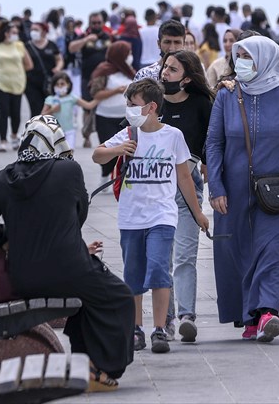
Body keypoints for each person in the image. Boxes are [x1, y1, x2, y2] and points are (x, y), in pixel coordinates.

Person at [0, 115, 135, 391]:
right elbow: (78, 216)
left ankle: (86, 361)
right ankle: (104, 367)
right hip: (70, 270)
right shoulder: (69, 171)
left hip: (23, 278)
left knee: (90, 298)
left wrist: (8, 237)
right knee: (120, 297)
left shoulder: (5, 177)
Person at [93, 80, 208, 354]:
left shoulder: (173, 136)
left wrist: (198, 213)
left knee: (158, 269)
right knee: (133, 274)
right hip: (131, 217)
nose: (129, 109)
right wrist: (117, 150)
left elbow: (184, 177)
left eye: (133, 104)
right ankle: (136, 329)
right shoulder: (128, 134)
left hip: (162, 215)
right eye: (128, 104)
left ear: (152, 106)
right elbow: (97, 155)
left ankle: (159, 328)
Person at [206, 36, 279, 342]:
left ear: (265, 59)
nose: (241, 63)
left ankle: (267, 311)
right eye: (238, 56)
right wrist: (216, 187)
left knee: (275, 250)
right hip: (233, 190)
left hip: (277, 188)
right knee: (238, 251)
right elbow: (214, 142)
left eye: (247, 56)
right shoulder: (227, 95)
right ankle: (249, 316)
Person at [158, 51, 215, 342]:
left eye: (172, 69)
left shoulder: (201, 104)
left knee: (184, 256)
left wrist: (206, 162)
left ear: (187, 78)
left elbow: (212, 138)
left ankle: (186, 316)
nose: (165, 73)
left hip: (188, 186)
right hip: (155, 189)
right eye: (165, 67)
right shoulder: (152, 103)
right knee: (162, 259)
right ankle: (165, 319)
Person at [0, 21, 33, 152]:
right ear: (6, 33)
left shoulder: (20, 46)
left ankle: (14, 135)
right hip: (0, 82)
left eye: (17, 33)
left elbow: (29, 65)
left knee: (16, 112)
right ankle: (3, 141)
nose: (16, 35)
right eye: (13, 33)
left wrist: (17, 71)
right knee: (4, 112)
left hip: (17, 82)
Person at [89, 41, 135, 179]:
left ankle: (118, 179)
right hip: (105, 117)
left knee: (125, 151)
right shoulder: (104, 70)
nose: (130, 56)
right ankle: (105, 176)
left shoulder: (129, 71)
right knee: (109, 150)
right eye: (128, 53)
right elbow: (95, 93)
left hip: (126, 118)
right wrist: (116, 91)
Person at [42, 71, 97, 149]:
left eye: (62, 84)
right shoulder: (50, 99)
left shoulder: (72, 98)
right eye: (57, 84)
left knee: (69, 151)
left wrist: (100, 98)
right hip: (55, 131)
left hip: (69, 131)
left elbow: (88, 105)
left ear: (68, 84)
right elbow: (42, 115)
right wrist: (52, 110)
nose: (60, 86)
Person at [24, 22, 63, 117]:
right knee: (36, 109)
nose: (33, 32)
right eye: (32, 29)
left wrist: (58, 68)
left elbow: (59, 59)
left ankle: (48, 126)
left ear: (44, 32)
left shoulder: (51, 45)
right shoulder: (26, 46)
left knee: (49, 109)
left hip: (49, 82)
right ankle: (36, 126)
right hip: (31, 82)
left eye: (36, 30)